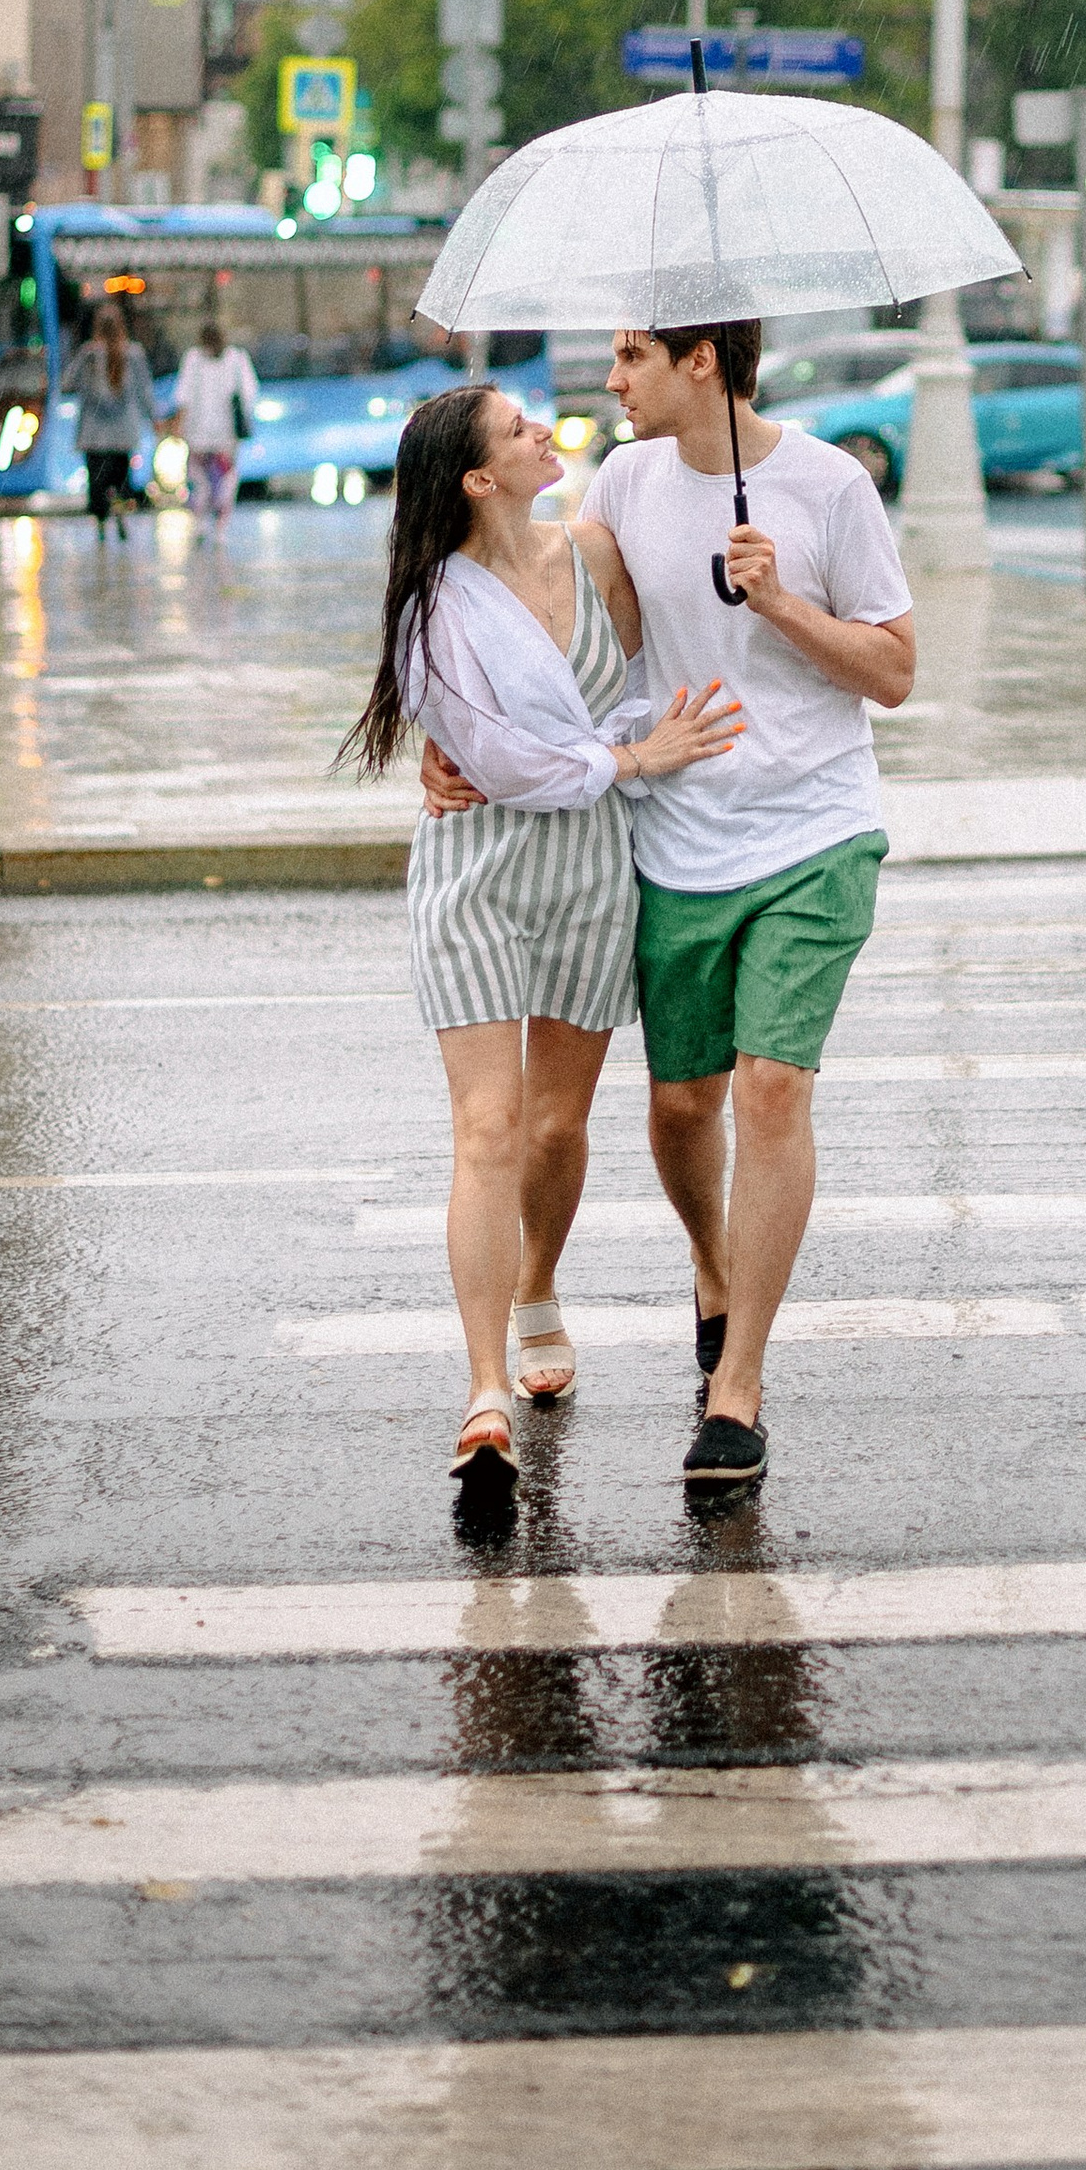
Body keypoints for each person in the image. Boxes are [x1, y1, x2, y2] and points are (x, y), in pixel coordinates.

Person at [422, 315, 913, 1494]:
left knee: (770, 1087)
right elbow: (553, 630)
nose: (611, 379)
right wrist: (454, 747)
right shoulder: (626, 485)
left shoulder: (830, 485)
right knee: (683, 1105)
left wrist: (781, 603)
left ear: (701, 359)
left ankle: (736, 1387)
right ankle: (713, 1263)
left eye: (633, 355)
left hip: (814, 827)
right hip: (677, 840)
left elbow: (895, 671)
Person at [347, 381, 744, 1505]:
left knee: (558, 1124)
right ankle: (484, 1392)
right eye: (517, 430)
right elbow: (507, 762)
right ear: (479, 479)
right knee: (488, 1125)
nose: (541, 431)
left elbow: (645, 682)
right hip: (475, 876)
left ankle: (537, 1285)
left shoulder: (595, 553)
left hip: (589, 874)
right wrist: (629, 760)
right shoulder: (431, 605)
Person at [60, 302, 156, 536]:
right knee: (120, 477)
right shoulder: (134, 354)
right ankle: (119, 505)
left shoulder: (88, 354)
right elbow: (145, 391)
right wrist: (155, 418)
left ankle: (101, 518)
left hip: (93, 433)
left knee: (97, 479)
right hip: (122, 433)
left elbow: (67, 383)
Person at [174, 309, 257, 532]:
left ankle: (200, 518)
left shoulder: (193, 359)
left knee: (199, 478)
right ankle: (221, 522)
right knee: (227, 477)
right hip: (227, 435)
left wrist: (179, 425)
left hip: (197, 433)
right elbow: (249, 394)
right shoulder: (237, 359)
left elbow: (183, 396)